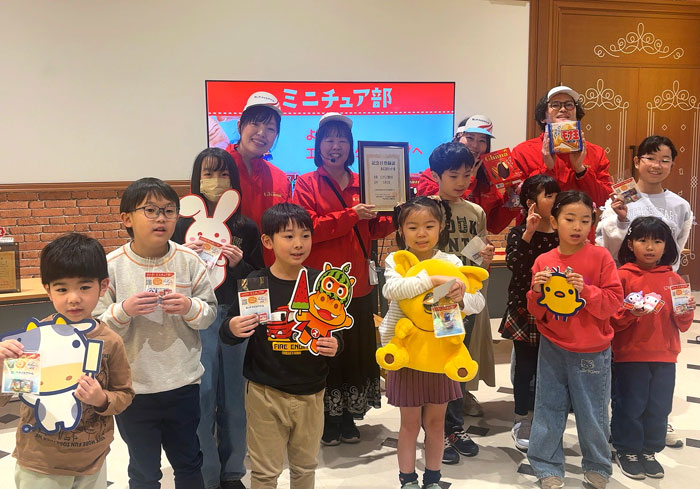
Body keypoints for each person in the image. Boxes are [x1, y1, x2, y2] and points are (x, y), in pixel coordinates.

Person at [94, 177, 217, 489]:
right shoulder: (111, 266)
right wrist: (124, 310)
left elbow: (209, 314)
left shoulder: (189, 261)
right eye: (150, 210)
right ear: (127, 218)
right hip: (132, 388)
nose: (161, 218)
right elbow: (96, 329)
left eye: (169, 211)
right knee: (144, 470)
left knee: (189, 462)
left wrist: (189, 306)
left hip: (183, 383)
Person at [220, 203, 341, 489]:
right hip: (265, 392)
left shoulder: (319, 283)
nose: (298, 244)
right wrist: (232, 327)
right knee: (264, 472)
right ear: (267, 241)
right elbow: (229, 331)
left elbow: (334, 330)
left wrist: (336, 345)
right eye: (288, 236)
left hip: (311, 392)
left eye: (305, 235)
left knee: (305, 467)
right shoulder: (255, 282)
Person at [0, 233, 134, 489]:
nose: (74, 298)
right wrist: (2, 367)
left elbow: (125, 394)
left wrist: (101, 399)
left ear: (103, 286)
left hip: (92, 459)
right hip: (39, 461)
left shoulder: (110, 341)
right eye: (62, 289)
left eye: (84, 287)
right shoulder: (35, 339)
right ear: (48, 290)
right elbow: (6, 396)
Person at [292, 112, 394, 444]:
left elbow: (375, 228)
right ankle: (325, 417)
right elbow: (306, 228)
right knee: (322, 350)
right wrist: (350, 215)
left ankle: (349, 415)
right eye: (328, 139)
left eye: (342, 140)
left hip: (358, 285)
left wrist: (399, 210)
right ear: (318, 145)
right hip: (321, 287)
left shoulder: (365, 181)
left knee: (353, 352)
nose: (335, 146)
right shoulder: (306, 183)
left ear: (351, 147)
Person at [173, 148, 265, 489]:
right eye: (208, 174)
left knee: (234, 399)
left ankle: (232, 472)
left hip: (235, 316)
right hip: (196, 317)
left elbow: (259, 279)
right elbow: (165, 274)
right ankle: (207, 473)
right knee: (203, 393)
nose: (216, 180)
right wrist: (183, 257)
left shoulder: (245, 227)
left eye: (223, 174)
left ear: (233, 180)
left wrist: (240, 263)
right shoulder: (181, 225)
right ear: (196, 179)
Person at [378, 196, 485, 489]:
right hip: (407, 354)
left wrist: (462, 298)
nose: (421, 233)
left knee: (436, 423)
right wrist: (433, 280)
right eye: (412, 227)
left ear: (441, 227)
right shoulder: (397, 261)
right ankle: (407, 480)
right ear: (401, 230)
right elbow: (393, 290)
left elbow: (477, 302)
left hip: (440, 353)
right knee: (409, 424)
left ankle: (433, 478)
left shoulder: (451, 262)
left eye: (429, 225)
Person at [526, 190, 624, 489]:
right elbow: (536, 311)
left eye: (585, 220)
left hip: (592, 349)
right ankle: (545, 464)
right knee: (548, 406)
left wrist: (586, 290)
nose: (577, 226)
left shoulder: (600, 256)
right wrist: (535, 293)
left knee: (592, 410)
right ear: (555, 221)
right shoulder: (543, 260)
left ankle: (597, 464)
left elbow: (612, 303)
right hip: (552, 346)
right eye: (569, 219)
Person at [610, 217, 696, 480]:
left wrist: (686, 310)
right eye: (642, 240)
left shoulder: (674, 279)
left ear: (666, 245)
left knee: (659, 406)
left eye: (657, 241)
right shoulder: (621, 276)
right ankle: (627, 449)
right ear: (630, 244)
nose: (650, 247)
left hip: (665, 356)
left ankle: (649, 450)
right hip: (629, 355)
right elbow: (612, 321)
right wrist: (630, 313)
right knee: (630, 404)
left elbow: (684, 325)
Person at [427, 141, 495, 463]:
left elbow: (475, 256)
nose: (461, 182)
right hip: (437, 296)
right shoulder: (425, 209)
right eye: (453, 175)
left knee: (457, 360)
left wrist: (485, 258)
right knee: (435, 365)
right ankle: (435, 430)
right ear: (436, 176)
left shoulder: (475, 212)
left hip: (464, 297)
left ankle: (453, 427)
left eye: (466, 175)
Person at [498, 174, 561, 452]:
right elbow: (515, 264)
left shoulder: (563, 233)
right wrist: (528, 234)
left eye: (557, 195)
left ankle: (547, 416)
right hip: (525, 310)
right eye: (549, 196)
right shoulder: (518, 233)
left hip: (557, 310)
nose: (555, 201)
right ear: (530, 202)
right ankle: (521, 418)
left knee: (552, 368)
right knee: (525, 368)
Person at [596, 135, 693, 272]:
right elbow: (606, 249)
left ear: (672, 166)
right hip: (623, 278)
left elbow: (676, 251)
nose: (656, 165)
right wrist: (621, 221)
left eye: (665, 160)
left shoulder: (681, 206)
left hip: (661, 279)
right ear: (637, 162)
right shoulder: (618, 201)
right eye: (650, 158)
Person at [416, 115, 521, 234]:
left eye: (482, 140)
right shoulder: (434, 175)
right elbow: (437, 212)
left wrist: (514, 196)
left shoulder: (488, 179)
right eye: (470, 138)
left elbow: (494, 225)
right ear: (457, 138)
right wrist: (469, 179)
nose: (475, 145)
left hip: (472, 244)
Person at [512, 86, 613, 208]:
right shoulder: (523, 151)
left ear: (576, 114)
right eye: (555, 105)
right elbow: (517, 200)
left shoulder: (596, 152)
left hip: (580, 220)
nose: (563, 109)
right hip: (538, 220)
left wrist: (581, 170)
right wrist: (546, 169)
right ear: (543, 117)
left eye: (569, 105)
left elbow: (606, 200)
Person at [225, 91, 291, 265]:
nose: (262, 133)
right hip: (223, 268)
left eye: (270, 129)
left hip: (268, 268)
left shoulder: (280, 179)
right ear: (240, 125)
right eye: (255, 124)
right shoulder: (216, 167)